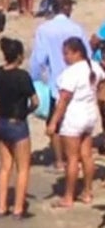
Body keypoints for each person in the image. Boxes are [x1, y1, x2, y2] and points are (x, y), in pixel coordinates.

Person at [30, 0, 89, 171]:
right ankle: (76, 156)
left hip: (56, 82)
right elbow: (86, 53)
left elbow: (38, 60)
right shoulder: (76, 29)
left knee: (54, 122)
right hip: (78, 81)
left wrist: (34, 81)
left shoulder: (44, 30)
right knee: (76, 120)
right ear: (66, 7)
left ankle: (59, 160)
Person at [46, 37, 104, 208]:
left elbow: (64, 100)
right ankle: (87, 191)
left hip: (74, 117)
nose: (64, 57)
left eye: (67, 54)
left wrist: (53, 122)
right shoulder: (94, 66)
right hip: (90, 114)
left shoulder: (70, 73)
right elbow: (101, 83)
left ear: (77, 53)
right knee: (86, 155)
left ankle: (68, 197)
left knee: (71, 158)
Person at [0, 37, 37, 219]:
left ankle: (2, 207)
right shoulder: (22, 76)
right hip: (17, 122)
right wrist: (26, 111)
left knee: (5, 166)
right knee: (23, 168)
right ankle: (18, 209)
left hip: (0, 122)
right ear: (19, 56)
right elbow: (35, 101)